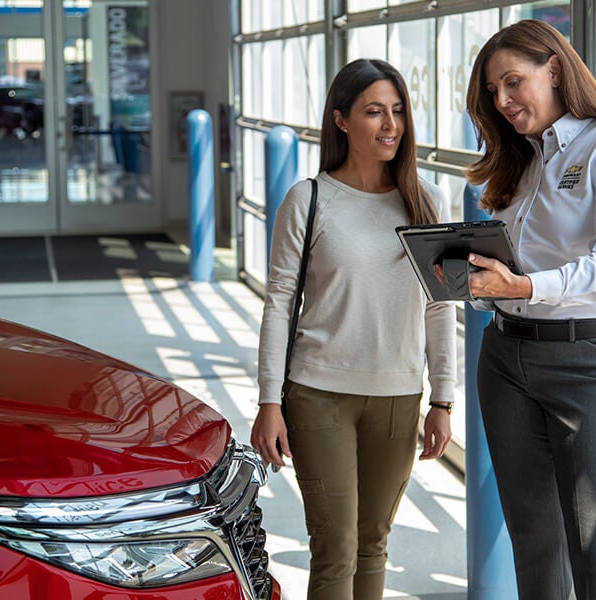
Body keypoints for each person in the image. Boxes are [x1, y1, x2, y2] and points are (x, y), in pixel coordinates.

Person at [461, 19, 596, 600]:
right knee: (535, 548)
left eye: (512, 82)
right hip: (506, 359)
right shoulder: (521, 160)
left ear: (554, 67)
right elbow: (520, 256)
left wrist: (521, 288)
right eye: (492, 94)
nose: (502, 102)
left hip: (595, 365)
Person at [250, 58, 457, 600]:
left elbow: (441, 306)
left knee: (373, 543)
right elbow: (278, 305)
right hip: (319, 394)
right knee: (336, 547)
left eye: (398, 111)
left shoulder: (424, 201)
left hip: (397, 395)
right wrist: (269, 401)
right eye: (374, 112)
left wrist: (444, 400)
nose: (390, 125)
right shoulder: (308, 199)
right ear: (341, 120)